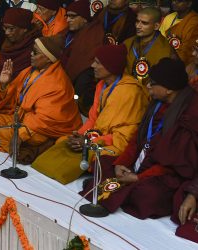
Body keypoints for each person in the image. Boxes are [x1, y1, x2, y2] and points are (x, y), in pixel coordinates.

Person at [81, 58, 198, 220]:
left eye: (153, 82)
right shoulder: (157, 102)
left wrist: (138, 177)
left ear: (169, 89)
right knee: (103, 163)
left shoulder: (189, 112)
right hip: (139, 162)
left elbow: (174, 164)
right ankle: (122, 189)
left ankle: (124, 191)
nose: (148, 85)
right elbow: (138, 136)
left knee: (149, 195)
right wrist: (121, 162)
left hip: (163, 172)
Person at [0, 36, 82, 163]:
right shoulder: (30, 71)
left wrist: (20, 135)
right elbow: (13, 98)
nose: (31, 54)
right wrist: (4, 84)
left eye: (35, 53)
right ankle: (15, 144)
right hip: (20, 120)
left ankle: (33, 146)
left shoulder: (57, 84)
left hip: (40, 131)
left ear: (48, 58)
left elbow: (43, 120)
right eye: (32, 50)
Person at [32, 44, 149, 185]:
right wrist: (79, 136)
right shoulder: (102, 85)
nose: (92, 65)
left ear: (111, 67)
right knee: (63, 142)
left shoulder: (130, 92)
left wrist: (89, 142)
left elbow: (124, 136)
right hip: (96, 138)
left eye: (98, 63)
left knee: (91, 157)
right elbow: (92, 119)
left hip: (116, 144)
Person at [60, 0, 104, 116]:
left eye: (72, 17)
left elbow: (84, 62)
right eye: (67, 16)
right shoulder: (67, 33)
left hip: (83, 82)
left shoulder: (93, 34)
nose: (68, 20)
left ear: (84, 18)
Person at [0, 7, 41, 89]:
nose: (7, 33)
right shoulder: (7, 43)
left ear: (24, 29)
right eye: (5, 28)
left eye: (11, 29)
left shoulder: (33, 48)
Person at [124, 7, 175, 86]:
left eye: (144, 23)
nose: (138, 26)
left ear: (156, 26)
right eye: (137, 21)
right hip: (127, 88)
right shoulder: (128, 43)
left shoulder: (166, 49)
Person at [159, 0, 198, 65]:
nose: (174, 2)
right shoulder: (169, 17)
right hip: (164, 58)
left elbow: (187, 51)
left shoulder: (194, 22)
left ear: (189, 3)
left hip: (182, 64)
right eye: (173, 0)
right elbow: (160, 40)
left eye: (179, 1)